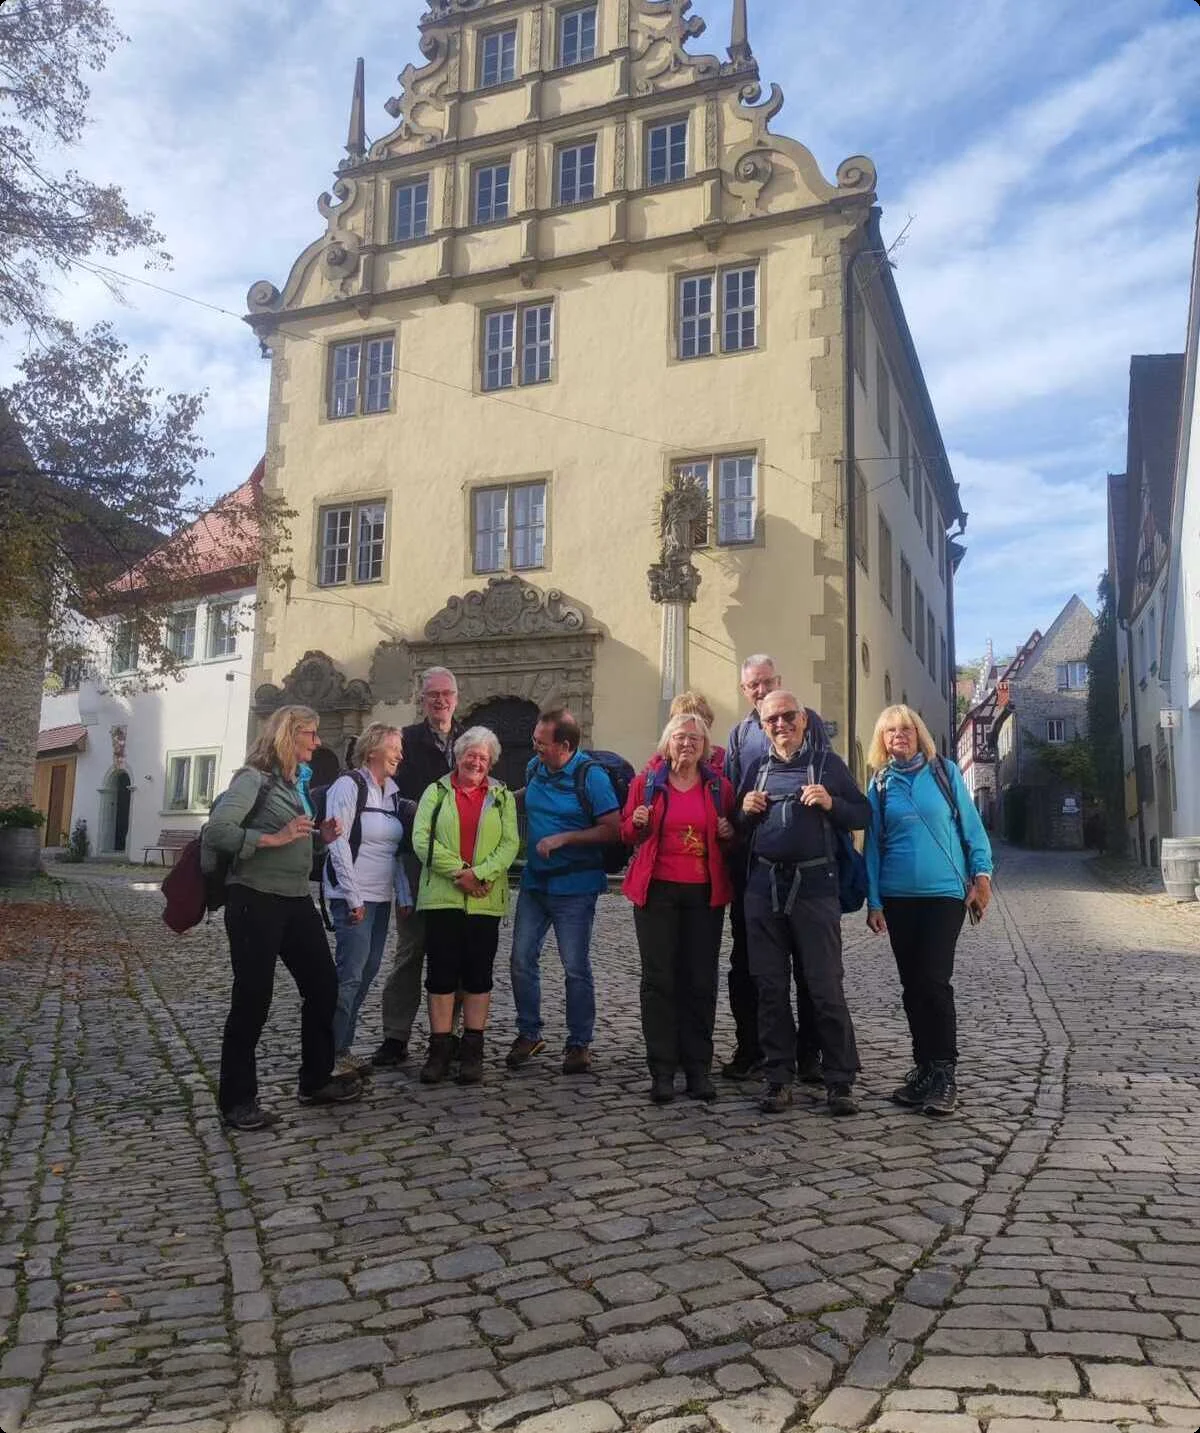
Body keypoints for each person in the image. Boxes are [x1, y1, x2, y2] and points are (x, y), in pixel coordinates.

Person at [205, 704, 363, 1130]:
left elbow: (297, 845)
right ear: (287, 736)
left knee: (323, 985)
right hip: (255, 900)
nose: (317, 741)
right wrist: (270, 837)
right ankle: (237, 1101)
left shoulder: (293, 786)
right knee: (253, 999)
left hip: (295, 901)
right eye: (309, 734)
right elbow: (218, 831)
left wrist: (319, 840)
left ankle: (315, 1079)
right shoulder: (251, 780)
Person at [738, 689, 869, 1116]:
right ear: (763, 727)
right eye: (772, 719)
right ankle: (777, 1077)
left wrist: (832, 803)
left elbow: (862, 814)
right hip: (763, 890)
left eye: (788, 716)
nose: (781, 725)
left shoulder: (827, 765)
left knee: (824, 986)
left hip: (815, 888)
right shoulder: (757, 768)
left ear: (803, 720)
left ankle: (839, 1080)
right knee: (770, 988)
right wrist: (744, 810)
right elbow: (736, 828)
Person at [863, 705, 993, 1116]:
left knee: (934, 981)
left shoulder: (945, 773)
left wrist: (982, 876)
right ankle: (922, 1069)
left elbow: (972, 829)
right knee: (912, 986)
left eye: (906, 729)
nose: (898, 736)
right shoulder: (880, 785)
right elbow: (873, 848)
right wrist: (874, 901)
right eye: (890, 731)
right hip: (898, 897)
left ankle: (944, 1073)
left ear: (919, 733)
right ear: (881, 741)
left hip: (943, 895)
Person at [722, 655, 828, 1084]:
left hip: (806, 867)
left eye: (766, 682)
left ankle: (810, 1054)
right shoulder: (740, 733)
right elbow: (731, 794)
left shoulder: (808, 719)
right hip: (753, 869)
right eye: (753, 686)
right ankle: (753, 1047)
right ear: (745, 691)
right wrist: (735, 815)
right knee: (749, 967)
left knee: (808, 967)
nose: (761, 691)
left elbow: (829, 780)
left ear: (778, 681)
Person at [621, 713, 736, 1104]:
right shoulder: (646, 784)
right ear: (667, 743)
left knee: (700, 981)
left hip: (704, 893)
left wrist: (729, 833)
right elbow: (626, 833)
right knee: (659, 981)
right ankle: (662, 1069)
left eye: (695, 739)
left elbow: (732, 838)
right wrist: (636, 822)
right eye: (680, 737)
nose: (687, 744)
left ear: (705, 747)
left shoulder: (719, 788)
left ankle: (698, 1068)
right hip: (657, 892)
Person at [507, 707, 621, 1075]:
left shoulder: (592, 777)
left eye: (542, 742)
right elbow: (529, 793)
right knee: (521, 960)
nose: (535, 747)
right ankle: (529, 1033)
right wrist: (500, 798)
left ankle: (578, 1043)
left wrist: (566, 838)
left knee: (575, 967)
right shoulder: (537, 767)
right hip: (535, 883)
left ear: (566, 745)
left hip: (575, 887)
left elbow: (612, 829)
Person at [412, 727, 520, 1084]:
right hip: (443, 898)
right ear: (458, 757)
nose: (476, 761)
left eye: (483, 757)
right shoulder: (436, 792)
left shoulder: (502, 797)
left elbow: (509, 844)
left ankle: (473, 1049)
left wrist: (482, 873)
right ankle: (440, 1048)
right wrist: (462, 872)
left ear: (491, 762)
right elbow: (420, 840)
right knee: (441, 975)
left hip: (485, 900)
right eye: (470, 755)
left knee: (478, 975)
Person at [372, 667, 463, 1067]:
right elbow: (389, 795)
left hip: (458, 860)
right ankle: (396, 1034)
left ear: (457, 698)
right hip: (413, 860)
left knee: (452, 952)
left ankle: (448, 1034)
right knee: (410, 951)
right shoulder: (405, 742)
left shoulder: (470, 740)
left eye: (446, 694)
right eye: (432, 695)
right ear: (421, 699)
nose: (440, 701)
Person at [321, 723, 414, 1076]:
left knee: (366, 973)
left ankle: (341, 1047)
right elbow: (337, 843)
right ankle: (328, 1055)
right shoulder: (349, 785)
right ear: (373, 748)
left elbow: (396, 850)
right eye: (395, 747)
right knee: (349, 977)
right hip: (353, 899)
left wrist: (402, 894)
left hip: (380, 899)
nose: (400, 755)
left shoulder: (390, 792)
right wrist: (352, 895)